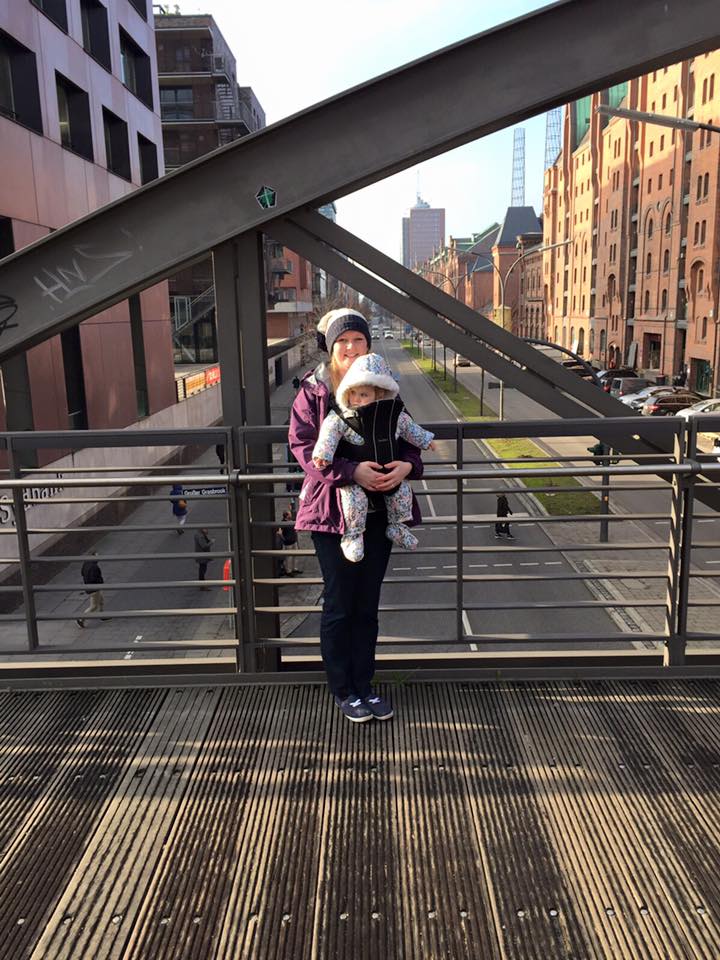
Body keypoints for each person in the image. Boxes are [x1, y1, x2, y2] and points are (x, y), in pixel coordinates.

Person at [289, 307, 425, 723]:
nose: (350, 347)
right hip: (331, 516)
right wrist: (353, 472)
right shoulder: (313, 393)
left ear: (367, 344)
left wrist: (408, 466)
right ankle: (344, 690)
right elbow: (304, 449)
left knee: (367, 606)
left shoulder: (380, 385)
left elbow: (406, 435)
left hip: (381, 513)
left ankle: (366, 686)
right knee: (339, 604)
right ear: (331, 348)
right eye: (342, 341)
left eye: (358, 340)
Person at [311, 352, 434, 562]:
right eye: (353, 394)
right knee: (353, 499)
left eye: (364, 395)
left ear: (379, 395)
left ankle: (397, 526)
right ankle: (353, 535)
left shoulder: (394, 416)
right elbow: (329, 433)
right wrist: (323, 454)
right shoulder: (343, 416)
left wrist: (425, 440)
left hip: (387, 472)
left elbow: (409, 428)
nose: (357, 400)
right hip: (354, 476)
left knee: (402, 491)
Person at [76, 552, 107, 627]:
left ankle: (102, 615)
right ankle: (81, 619)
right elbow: (94, 578)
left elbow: (82, 573)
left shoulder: (86, 563)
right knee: (94, 606)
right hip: (94, 589)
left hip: (88, 586)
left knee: (101, 600)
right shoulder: (94, 567)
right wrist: (100, 581)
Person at [280, 509, 302, 575]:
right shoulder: (283, 523)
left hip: (293, 541)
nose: (291, 515)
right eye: (289, 514)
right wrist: (284, 539)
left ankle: (295, 568)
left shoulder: (291, 521)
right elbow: (280, 533)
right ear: (286, 516)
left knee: (295, 556)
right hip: (288, 543)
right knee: (289, 557)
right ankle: (288, 571)